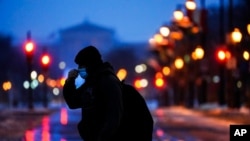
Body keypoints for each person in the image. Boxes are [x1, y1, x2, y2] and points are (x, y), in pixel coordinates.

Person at [63, 46, 123, 141]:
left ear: (90, 64)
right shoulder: (92, 81)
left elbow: (114, 117)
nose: (79, 69)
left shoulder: (107, 81)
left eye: (81, 66)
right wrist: (70, 81)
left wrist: (102, 137)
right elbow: (73, 102)